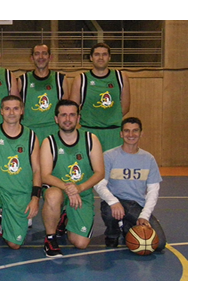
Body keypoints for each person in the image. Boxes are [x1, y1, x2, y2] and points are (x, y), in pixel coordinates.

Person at [0, 95, 40, 253]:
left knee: (14, 245)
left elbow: (37, 169)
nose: (11, 112)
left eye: (16, 108)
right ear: (1, 111)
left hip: (19, 192)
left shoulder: (31, 136)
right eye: (7, 108)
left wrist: (35, 198)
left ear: (22, 111)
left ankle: (1, 221)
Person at [40, 100, 104, 256]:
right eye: (63, 115)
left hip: (81, 192)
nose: (67, 119)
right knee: (53, 196)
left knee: (80, 243)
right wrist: (69, 188)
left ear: (78, 118)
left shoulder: (91, 140)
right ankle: (50, 238)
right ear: (56, 119)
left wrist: (79, 188)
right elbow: (45, 176)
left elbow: (100, 172)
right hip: (58, 189)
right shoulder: (49, 142)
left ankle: (65, 218)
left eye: (72, 115)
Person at [94, 117, 166, 251]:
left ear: (141, 133)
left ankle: (127, 226)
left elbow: (153, 190)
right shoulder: (109, 156)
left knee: (159, 243)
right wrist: (113, 201)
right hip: (116, 203)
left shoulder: (148, 158)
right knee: (110, 211)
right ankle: (112, 233)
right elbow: (99, 184)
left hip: (136, 206)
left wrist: (144, 215)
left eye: (135, 131)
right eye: (127, 131)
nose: (131, 135)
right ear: (121, 134)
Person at [69, 42, 130, 152]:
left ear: (109, 57)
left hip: (113, 133)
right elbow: (72, 109)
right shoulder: (81, 79)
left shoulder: (121, 77)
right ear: (91, 58)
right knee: (89, 168)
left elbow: (125, 107)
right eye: (97, 54)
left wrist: (108, 119)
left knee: (113, 168)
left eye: (104, 54)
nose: (101, 57)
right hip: (89, 131)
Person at [18, 43, 69, 143]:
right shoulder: (22, 80)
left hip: (54, 131)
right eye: (37, 54)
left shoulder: (60, 79)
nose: (41, 57)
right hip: (29, 131)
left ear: (50, 57)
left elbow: (66, 110)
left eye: (44, 53)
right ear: (32, 58)